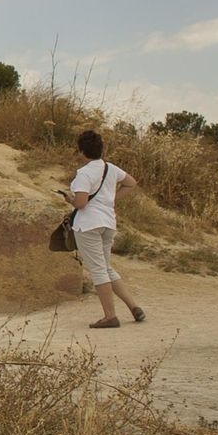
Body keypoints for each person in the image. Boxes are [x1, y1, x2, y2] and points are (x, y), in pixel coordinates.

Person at [69, 129, 145, 329]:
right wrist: (112, 200)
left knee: (97, 270)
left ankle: (110, 316)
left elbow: (81, 203)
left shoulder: (83, 173)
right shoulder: (110, 168)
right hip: (108, 222)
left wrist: (70, 199)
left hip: (88, 225)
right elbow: (131, 183)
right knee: (106, 267)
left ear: (82, 152)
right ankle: (133, 307)